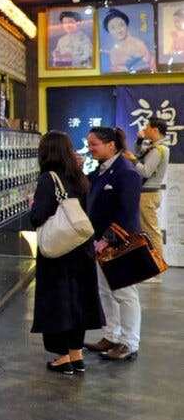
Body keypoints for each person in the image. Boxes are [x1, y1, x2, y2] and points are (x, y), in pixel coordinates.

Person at [29, 131, 104, 375]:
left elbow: (38, 216)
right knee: (78, 301)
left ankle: (62, 358)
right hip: (81, 248)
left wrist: (33, 207)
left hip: (59, 251)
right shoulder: (78, 177)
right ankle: (76, 355)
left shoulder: (48, 179)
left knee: (58, 302)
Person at [83, 126, 144, 361]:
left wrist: (107, 239)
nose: (90, 148)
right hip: (100, 243)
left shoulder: (126, 172)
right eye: (89, 144)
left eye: (94, 144)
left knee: (124, 293)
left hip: (120, 242)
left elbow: (127, 214)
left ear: (111, 145)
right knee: (106, 291)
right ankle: (111, 334)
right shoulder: (102, 170)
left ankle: (129, 342)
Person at [129, 117, 169, 282]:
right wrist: (139, 140)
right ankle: (150, 268)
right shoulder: (154, 148)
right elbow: (139, 152)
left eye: (147, 127)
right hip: (147, 194)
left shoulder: (159, 149)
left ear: (155, 130)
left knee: (152, 232)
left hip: (148, 195)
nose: (144, 129)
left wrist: (132, 160)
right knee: (146, 231)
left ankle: (156, 271)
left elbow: (145, 171)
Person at [102, 8, 154, 72]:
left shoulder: (138, 44)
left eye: (121, 25)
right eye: (113, 28)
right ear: (108, 31)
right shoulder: (113, 50)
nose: (118, 30)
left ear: (126, 25)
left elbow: (147, 66)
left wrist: (130, 69)